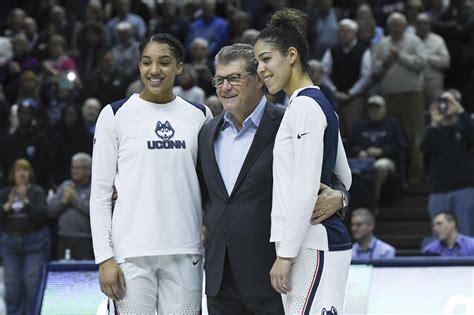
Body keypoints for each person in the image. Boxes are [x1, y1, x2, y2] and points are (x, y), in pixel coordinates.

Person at [199, 43, 349, 314]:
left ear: (259, 79)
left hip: (274, 274)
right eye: (219, 80)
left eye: (234, 78)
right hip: (220, 280)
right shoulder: (206, 132)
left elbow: (336, 175)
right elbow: (200, 192)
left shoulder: (290, 119)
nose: (224, 88)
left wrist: (340, 197)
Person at [90, 33, 212, 314]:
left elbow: (209, 184)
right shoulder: (115, 114)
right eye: (146, 62)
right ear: (139, 66)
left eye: (164, 62)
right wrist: (104, 259)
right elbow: (99, 194)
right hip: (130, 253)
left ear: (180, 67)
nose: (154, 70)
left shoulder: (200, 114)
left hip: (185, 250)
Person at [254, 8, 352, 314]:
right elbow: (344, 177)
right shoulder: (314, 104)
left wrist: (285, 254)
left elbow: (305, 186)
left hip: (313, 243)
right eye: (257, 61)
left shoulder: (304, 108)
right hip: (311, 243)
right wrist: (340, 197)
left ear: (291, 55)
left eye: (266, 58)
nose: (260, 68)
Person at [372, 12, 426, 183]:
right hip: (390, 96)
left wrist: (399, 56)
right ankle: (397, 178)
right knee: (394, 137)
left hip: (412, 94)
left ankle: (416, 175)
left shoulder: (414, 41)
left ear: (404, 25)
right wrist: (386, 62)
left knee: (414, 135)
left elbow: (421, 64)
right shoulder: (382, 44)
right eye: (393, 25)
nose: (396, 28)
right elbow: (376, 71)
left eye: (399, 24)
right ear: (389, 27)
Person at [420, 91, 474, 236]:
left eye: (450, 102)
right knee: (438, 234)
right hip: (439, 189)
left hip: (463, 188)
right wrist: (434, 123)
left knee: (466, 232)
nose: (446, 106)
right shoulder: (434, 128)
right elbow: (424, 148)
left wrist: (461, 111)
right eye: (443, 102)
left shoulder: (466, 124)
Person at [0, 159, 50, 315]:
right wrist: (7, 206)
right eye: (18, 170)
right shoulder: (4, 193)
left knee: (32, 285)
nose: (21, 174)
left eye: (25, 170)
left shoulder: (37, 192)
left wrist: (26, 201)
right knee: (12, 287)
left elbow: (42, 217)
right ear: (13, 174)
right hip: (10, 245)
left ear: (30, 174)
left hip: (33, 244)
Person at [348, 95, 406, 207]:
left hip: (386, 160)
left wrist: (382, 151)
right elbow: (350, 146)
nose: (374, 111)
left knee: (381, 165)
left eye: (377, 108)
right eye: (371, 108)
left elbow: (400, 146)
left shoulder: (392, 124)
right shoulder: (359, 125)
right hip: (362, 161)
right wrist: (359, 151)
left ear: (384, 109)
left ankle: (374, 199)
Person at [321, 18, 372, 137]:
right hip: (334, 97)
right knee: (336, 132)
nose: (342, 34)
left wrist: (351, 93)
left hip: (355, 98)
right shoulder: (332, 51)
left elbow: (366, 75)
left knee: (354, 131)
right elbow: (323, 73)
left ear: (354, 33)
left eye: (346, 31)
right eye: (340, 31)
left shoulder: (363, 51)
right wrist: (334, 90)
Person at [48, 153, 93, 260]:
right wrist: (63, 202)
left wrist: (74, 199)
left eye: (78, 168)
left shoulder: (93, 188)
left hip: (85, 239)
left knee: (84, 274)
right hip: (64, 238)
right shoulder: (65, 185)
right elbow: (50, 211)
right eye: (73, 167)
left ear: (88, 171)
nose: (74, 171)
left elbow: (94, 213)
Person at [415, 13, 450, 108]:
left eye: (425, 23)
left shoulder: (438, 40)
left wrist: (428, 58)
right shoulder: (410, 40)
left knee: (436, 113)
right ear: (415, 25)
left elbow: (446, 62)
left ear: (429, 25)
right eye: (419, 23)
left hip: (433, 83)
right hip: (415, 84)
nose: (422, 26)